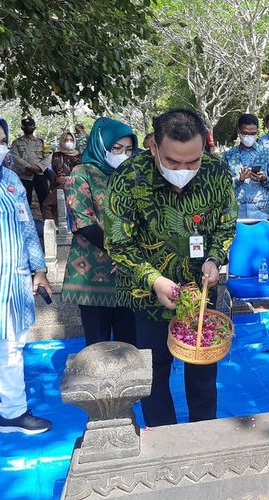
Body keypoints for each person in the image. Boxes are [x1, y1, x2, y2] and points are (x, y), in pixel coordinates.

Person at [104, 109, 237, 428]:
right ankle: (163, 443)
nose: (184, 170)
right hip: (149, 295)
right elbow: (118, 242)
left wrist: (215, 258)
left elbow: (226, 223)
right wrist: (154, 280)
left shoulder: (217, 171)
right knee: (154, 373)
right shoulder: (129, 177)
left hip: (201, 293)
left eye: (193, 161)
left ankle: (202, 436)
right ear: (153, 147)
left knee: (203, 374)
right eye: (173, 162)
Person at [0, 113, 53, 448]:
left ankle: (13, 413)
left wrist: (39, 270)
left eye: (1, 142)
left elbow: (27, 228)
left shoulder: (10, 180)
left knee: (11, 350)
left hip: (13, 284)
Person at [62, 118, 138, 347]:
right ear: (100, 145)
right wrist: (121, 252)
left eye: (128, 149)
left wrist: (132, 255)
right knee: (97, 345)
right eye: (116, 149)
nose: (123, 155)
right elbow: (84, 223)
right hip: (93, 270)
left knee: (130, 345)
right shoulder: (81, 174)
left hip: (128, 271)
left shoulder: (132, 175)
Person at [222, 114, 269, 221]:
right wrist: (239, 179)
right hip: (236, 213)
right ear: (239, 132)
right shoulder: (228, 155)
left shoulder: (267, 153)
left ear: (257, 132)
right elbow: (222, 186)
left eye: (252, 133)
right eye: (245, 133)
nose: (248, 137)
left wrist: (264, 179)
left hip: (262, 214)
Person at [10, 118, 51, 209]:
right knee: (23, 200)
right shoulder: (16, 142)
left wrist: (39, 167)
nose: (28, 127)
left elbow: (48, 156)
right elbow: (15, 156)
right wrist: (28, 166)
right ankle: (25, 220)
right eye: (26, 125)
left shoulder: (41, 142)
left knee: (44, 199)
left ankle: (47, 219)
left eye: (30, 125)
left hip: (39, 174)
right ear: (22, 127)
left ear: (34, 127)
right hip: (23, 175)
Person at [42, 131, 81, 220]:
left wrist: (70, 178)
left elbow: (82, 172)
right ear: (62, 141)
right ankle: (50, 227)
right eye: (66, 140)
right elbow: (59, 174)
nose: (69, 142)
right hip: (60, 186)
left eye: (71, 140)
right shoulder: (57, 155)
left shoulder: (80, 156)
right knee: (47, 205)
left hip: (77, 185)